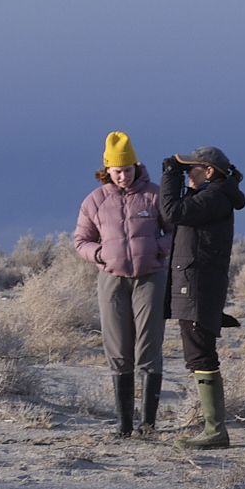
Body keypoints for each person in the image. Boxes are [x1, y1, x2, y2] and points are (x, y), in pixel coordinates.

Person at [71, 131, 171, 436]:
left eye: (128, 170)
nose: (124, 177)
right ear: (107, 171)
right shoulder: (94, 201)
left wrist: (157, 249)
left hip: (150, 278)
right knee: (117, 347)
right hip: (112, 280)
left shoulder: (155, 195)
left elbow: (175, 231)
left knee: (149, 345)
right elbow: (80, 240)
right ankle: (125, 425)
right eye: (117, 171)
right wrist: (99, 254)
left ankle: (148, 425)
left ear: (136, 166)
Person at [160, 146, 245, 449]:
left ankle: (215, 430)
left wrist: (170, 175)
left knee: (200, 354)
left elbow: (171, 213)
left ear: (209, 171)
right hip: (196, 285)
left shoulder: (214, 197)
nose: (187, 172)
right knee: (198, 353)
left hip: (198, 287)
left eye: (190, 168)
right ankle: (213, 427)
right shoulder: (213, 196)